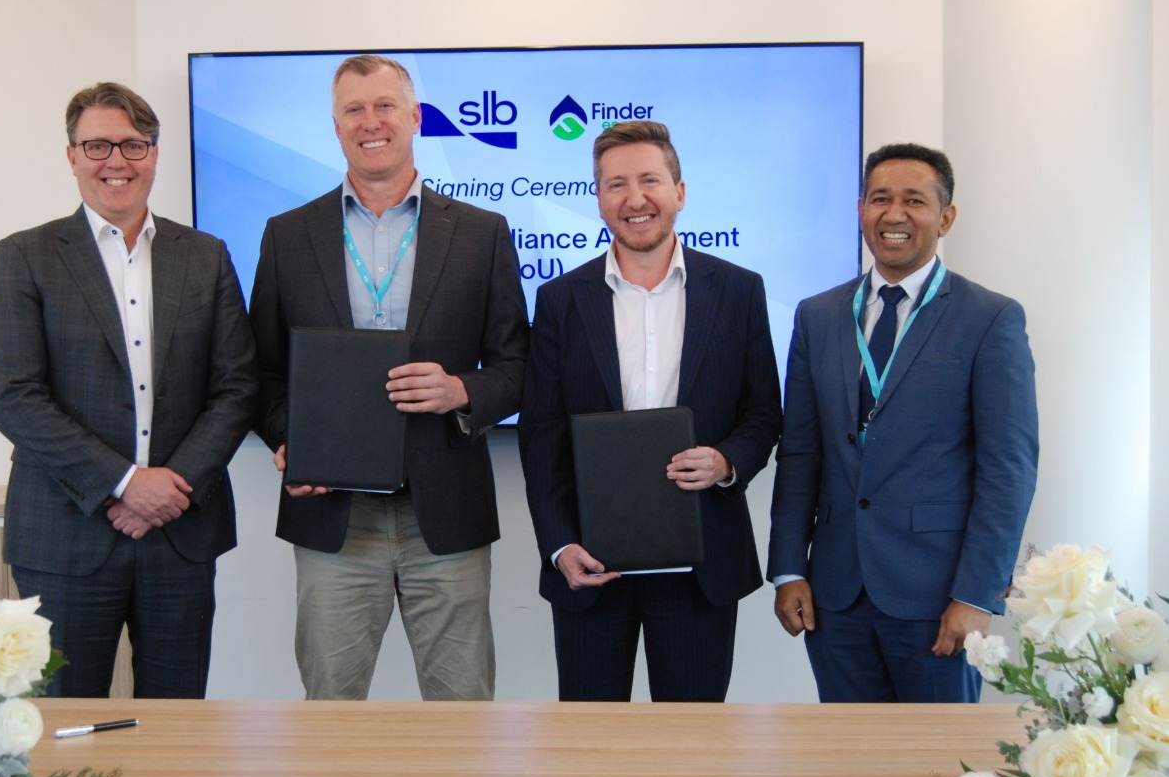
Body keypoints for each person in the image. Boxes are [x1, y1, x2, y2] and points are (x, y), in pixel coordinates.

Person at [249, 55, 528, 701]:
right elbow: (259, 372)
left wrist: (462, 390)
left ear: (414, 118)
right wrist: (293, 440)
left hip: (445, 516)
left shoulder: (482, 234)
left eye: (383, 107)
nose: (370, 122)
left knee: (462, 711)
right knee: (331, 709)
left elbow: (519, 366)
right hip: (331, 519)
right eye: (353, 109)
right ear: (335, 123)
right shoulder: (288, 236)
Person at [0, 82, 258, 698]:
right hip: (64, 535)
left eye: (133, 145)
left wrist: (170, 487)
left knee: (178, 724)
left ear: (154, 154)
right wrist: (129, 483)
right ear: (72, 155)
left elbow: (237, 386)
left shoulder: (206, 256)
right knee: (62, 731)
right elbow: (15, 395)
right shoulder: (26, 256)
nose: (117, 162)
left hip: (180, 534)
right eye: (98, 145)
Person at [518, 120, 782, 702]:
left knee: (693, 752)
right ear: (599, 200)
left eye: (649, 180)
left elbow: (763, 411)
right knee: (590, 752)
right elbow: (541, 435)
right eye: (616, 185)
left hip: (701, 565)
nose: (634, 199)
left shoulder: (739, 291)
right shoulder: (561, 300)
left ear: (679, 192)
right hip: (591, 564)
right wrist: (560, 544)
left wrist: (726, 460)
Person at [768, 142, 1039, 703]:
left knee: (938, 773)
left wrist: (978, 594)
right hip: (835, 595)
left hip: (938, 597)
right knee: (851, 769)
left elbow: (1007, 470)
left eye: (914, 200)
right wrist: (790, 567)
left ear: (946, 217)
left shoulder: (989, 318)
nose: (894, 215)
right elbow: (800, 453)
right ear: (862, 208)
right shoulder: (817, 315)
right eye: (880, 199)